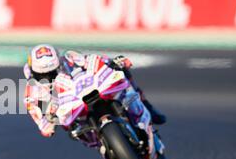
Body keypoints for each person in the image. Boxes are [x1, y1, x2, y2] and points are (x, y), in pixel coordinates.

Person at [23, 44, 166, 138]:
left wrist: (113, 62)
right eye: (42, 75)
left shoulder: (69, 59)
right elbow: (37, 115)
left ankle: (146, 105)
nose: (47, 78)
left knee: (121, 72)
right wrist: (47, 124)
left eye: (52, 73)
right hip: (72, 113)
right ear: (33, 72)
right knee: (79, 134)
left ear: (58, 64)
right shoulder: (33, 89)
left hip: (87, 90)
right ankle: (110, 149)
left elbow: (91, 60)